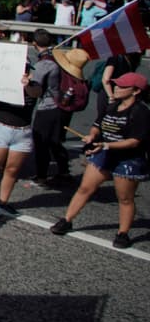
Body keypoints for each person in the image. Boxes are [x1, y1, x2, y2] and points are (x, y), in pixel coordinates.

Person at [51, 73, 148, 249]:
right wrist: (92, 136)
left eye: (122, 86)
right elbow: (97, 125)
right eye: (116, 84)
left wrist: (107, 145)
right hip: (103, 152)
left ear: (135, 91)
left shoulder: (141, 112)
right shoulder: (111, 106)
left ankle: (123, 233)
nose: (117, 88)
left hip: (127, 159)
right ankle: (67, 220)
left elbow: (135, 141)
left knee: (125, 198)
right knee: (85, 188)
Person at [0, 21, 43, 218]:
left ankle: (3, 201)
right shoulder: (2, 78)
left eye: (26, 68)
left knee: (12, 170)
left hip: (22, 131)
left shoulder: (33, 82)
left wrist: (27, 83)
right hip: (0, 128)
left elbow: (37, 92)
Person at [25, 31, 74, 187]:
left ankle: (41, 177)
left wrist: (26, 82)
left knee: (41, 142)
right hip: (62, 104)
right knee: (55, 141)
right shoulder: (59, 58)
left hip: (47, 107)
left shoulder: (43, 64)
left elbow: (36, 90)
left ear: (34, 44)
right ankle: (64, 170)